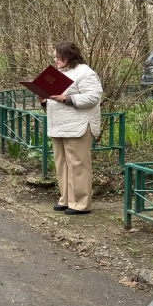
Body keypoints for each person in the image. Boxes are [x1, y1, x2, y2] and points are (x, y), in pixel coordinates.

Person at [41, 41, 102, 215]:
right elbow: (54, 99)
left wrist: (66, 98)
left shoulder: (85, 72)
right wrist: (44, 100)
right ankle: (67, 199)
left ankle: (81, 203)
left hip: (78, 126)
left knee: (78, 165)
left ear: (69, 56)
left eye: (59, 57)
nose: (56, 60)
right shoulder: (56, 74)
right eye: (55, 57)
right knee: (62, 165)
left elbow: (94, 96)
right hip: (59, 126)